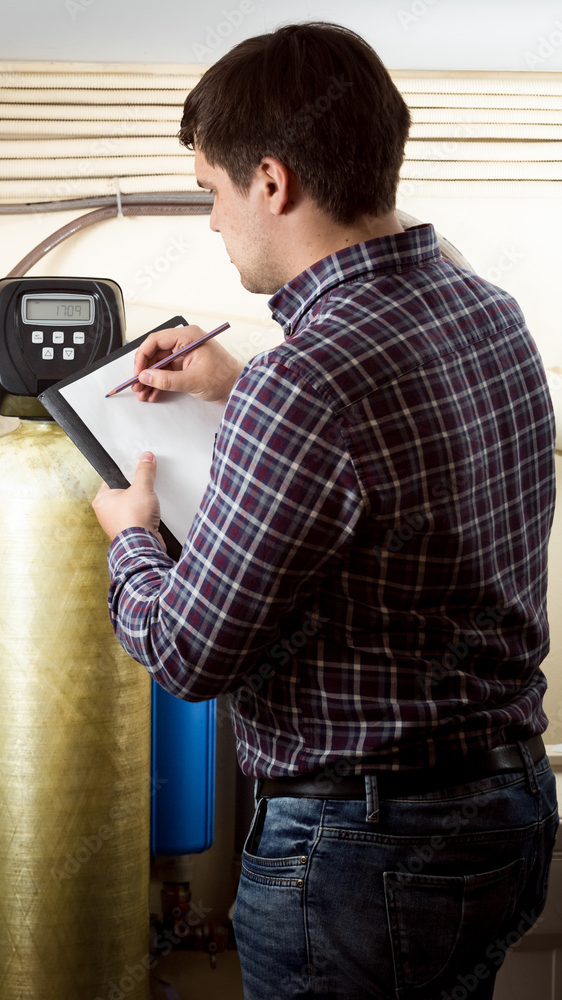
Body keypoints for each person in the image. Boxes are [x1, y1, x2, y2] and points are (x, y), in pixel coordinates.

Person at [92, 21, 558, 1000]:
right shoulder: (489, 311)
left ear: (270, 182)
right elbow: (389, 448)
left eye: (210, 193)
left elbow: (186, 654)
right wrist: (235, 379)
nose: (212, 221)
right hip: (505, 808)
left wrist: (132, 540)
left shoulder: (302, 386)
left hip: (362, 850)